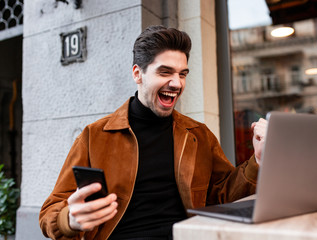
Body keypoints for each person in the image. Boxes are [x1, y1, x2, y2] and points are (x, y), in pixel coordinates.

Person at [39, 25, 267, 240]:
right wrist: (68, 219)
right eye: (165, 72)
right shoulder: (95, 136)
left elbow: (223, 196)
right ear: (138, 74)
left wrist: (257, 159)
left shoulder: (198, 135)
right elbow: (49, 212)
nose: (177, 83)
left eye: (182, 74)